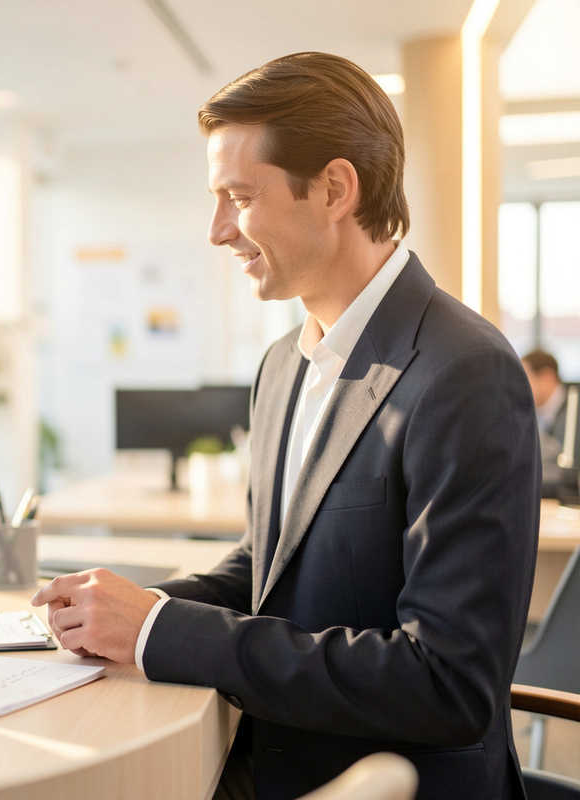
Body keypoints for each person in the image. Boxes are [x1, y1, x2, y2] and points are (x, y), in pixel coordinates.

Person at [32, 52, 539, 800]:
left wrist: (159, 631)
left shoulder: (465, 372)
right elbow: (268, 570)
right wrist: (115, 611)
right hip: (264, 757)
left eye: (238, 196)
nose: (216, 231)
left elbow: (448, 684)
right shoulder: (283, 364)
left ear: (334, 188)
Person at [522, 348, 568, 498]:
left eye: (525, 378)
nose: (521, 386)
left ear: (547, 378)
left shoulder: (574, 414)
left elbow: (566, 474)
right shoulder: (538, 413)